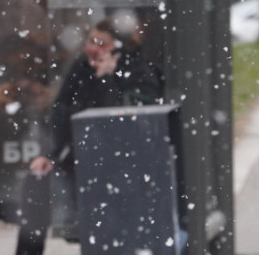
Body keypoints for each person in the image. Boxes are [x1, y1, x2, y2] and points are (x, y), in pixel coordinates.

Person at [15, 16, 164, 255]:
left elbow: (123, 121)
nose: (93, 49)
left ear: (118, 48)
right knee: (36, 182)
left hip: (121, 163)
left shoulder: (138, 70)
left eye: (101, 44)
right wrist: (48, 154)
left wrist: (108, 79)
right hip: (79, 157)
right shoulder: (81, 67)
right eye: (90, 42)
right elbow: (60, 111)